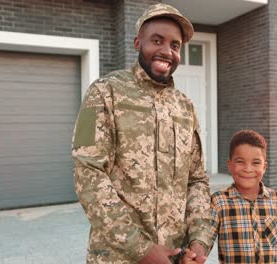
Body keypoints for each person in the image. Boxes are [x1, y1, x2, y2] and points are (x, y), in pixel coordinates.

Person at [71, 3, 210, 264]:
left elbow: (197, 180)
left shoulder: (185, 106)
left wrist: (199, 242)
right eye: (156, 40)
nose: (166, 51)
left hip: (176, 256)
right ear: (137, 43)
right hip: (118, 257)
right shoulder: (105, 92)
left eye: (175, 45)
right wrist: (142, 249)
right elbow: (88, 174)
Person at [204, 130, 277, 263]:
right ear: (230, 165)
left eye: (255, 163)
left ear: (264, 167)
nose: (248, 169)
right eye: (240, 162)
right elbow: (204, 241)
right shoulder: (219, 202)